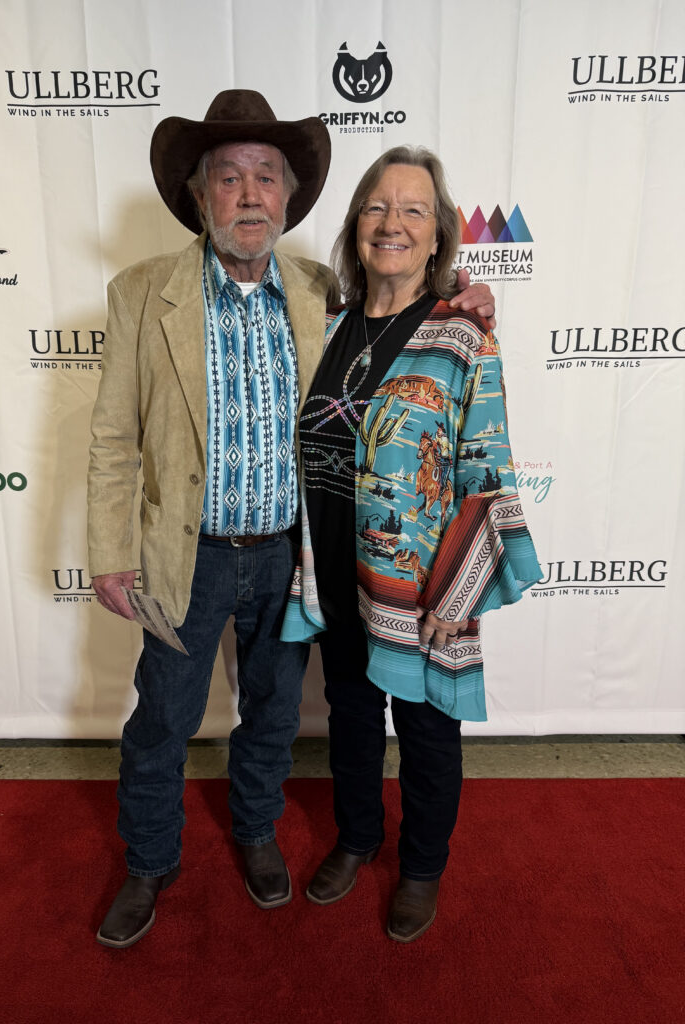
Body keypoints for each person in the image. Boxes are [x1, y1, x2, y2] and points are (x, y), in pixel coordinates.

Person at [88, 91, 495, 950]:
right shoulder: (141, 293)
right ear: (198, 194)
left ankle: (256, 831)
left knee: (274, 714)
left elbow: (409, 318)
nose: (249, 194)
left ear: (288, 197)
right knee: (162, 720)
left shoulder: (318, 294)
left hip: (290, 556)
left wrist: (466, 294)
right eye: (229, 176)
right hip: (187, 554)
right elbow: (114, 437)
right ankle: (150, 862)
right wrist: (110, 551)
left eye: (266, 177)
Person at [281, 146, 540, 943]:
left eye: (413, 210)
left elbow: (485, 471)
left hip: (424, 584)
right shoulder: (324, 324)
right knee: (352, 716)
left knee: (427, 731)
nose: (391, 222)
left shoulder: (462, 335)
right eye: (376, 206)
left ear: (437, 238)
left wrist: (456, 598)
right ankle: (359, 836)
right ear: (355, 226)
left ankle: (422, 866)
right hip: (335, 571)